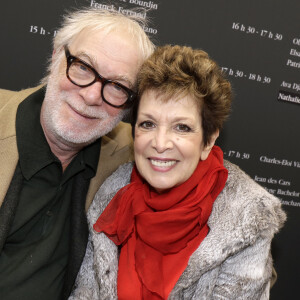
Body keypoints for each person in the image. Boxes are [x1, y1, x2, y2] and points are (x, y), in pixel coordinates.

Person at [69, 45, 286, 300]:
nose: (160, 143)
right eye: (147, 124)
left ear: (208, 141)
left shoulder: (246, 219)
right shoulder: (111, 197)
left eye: (181, 127)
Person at [0, 7, 154, 300]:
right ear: (57, 55)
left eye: (118, 86)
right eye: (83, 66)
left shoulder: (130, 154)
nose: (92, 96)